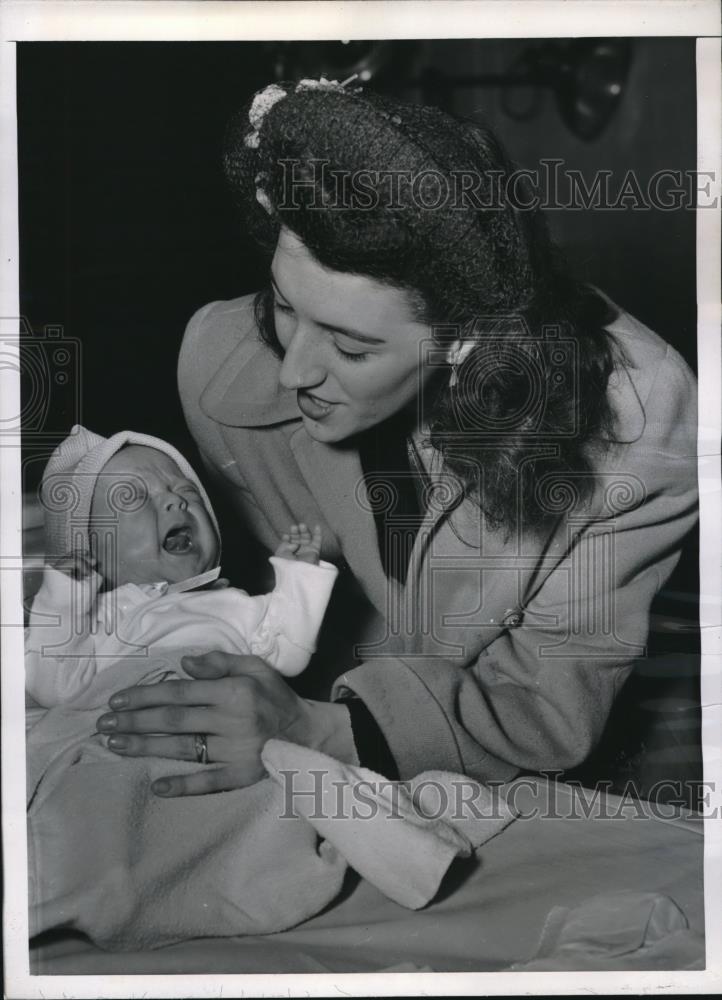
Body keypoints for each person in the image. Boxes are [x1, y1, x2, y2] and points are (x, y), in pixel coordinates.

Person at [97, 77, 698, 797]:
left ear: (465, 341)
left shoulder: (639, 417)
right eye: (285, 307)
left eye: (351, 349)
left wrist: (320, 733)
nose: (293, 371)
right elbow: (270, 608)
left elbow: (546, 705)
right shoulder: (218, 363)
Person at [27, 424, 338, 708]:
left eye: (186, 490)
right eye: (134, 497)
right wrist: (63, 603)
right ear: (88, 547)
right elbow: (53, 689)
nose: (174, 501)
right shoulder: (95, 622)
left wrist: (297, 579)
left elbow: (290, 655)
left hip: (230, 742)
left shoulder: (229, 605)